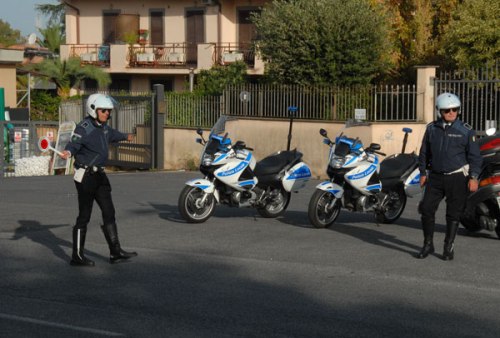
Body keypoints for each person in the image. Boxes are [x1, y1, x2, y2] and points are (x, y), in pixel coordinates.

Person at [61, 93, 138, 266]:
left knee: (109, 212)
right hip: (86, 176)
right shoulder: (84, 127)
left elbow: (113, 134)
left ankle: (115, 252)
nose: (107, 114)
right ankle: (77, 256)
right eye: (104, 111)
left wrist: (126, 136)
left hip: (100, 176)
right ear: (94, 109)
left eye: (109, 111)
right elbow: (74, 143)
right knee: (84, 216)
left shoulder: (104, 127)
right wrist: (68, 152)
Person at [416, 92, 482, 260]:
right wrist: (422, 173)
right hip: (435, 177)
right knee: (426, 209)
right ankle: (428, 244)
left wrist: (474, 177)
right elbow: (424, 152)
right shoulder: (432, 128)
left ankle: (448, 246)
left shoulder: (466, 131)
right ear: (440, 111)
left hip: (457, 177)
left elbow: (475, 157)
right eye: (447, 110)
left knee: (453, 213)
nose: (451, 113)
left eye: (454, 109)